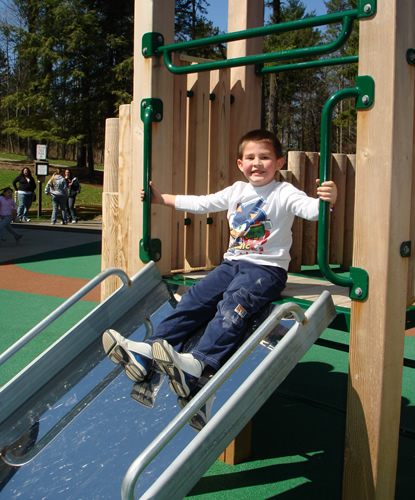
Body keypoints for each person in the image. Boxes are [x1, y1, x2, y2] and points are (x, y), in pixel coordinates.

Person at [102, 129, 337, 399]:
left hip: (265, 270)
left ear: (280, 162)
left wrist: (325, 202)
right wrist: (161, 198)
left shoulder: (284, 192)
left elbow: (310, 210)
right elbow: (203, 203)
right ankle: (150, 350)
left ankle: (198, 363)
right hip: (231, 265)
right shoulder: (237, 190)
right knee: (194, 298)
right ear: (240, 164)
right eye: (250, 157)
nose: (257, 163)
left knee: (233, 305)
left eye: (265, 157)